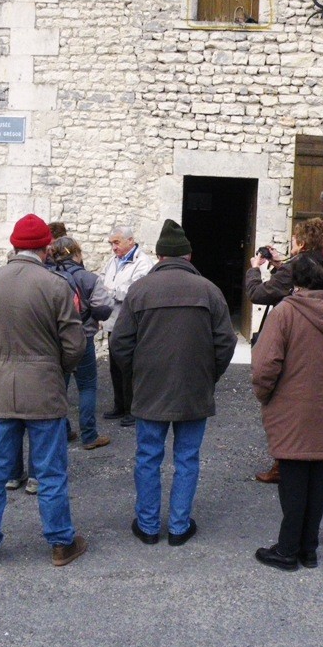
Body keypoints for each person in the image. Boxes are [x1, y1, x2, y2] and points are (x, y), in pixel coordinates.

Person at [0, 214, 88, 569]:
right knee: (50, 472)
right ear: (46, 247)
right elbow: (75, 344)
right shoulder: (55, 285)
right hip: (45, 390)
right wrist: (56, 368)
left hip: (3, 390)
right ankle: (60, 543)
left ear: (14, 244)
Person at [111, 219, 237, 547]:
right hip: (193, 387)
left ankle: (149, 525)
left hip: (150, 387)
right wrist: (209, 374)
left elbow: (120, 343)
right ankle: (179, 526)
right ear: (188, 256)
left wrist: (137, 374)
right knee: (187, 457)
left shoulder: (140, 290)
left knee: (148, 456)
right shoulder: (209, 290)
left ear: (159, 256)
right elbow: (225, 342)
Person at [251, 251, 323, 571]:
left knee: (293, 478)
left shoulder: (286, 312)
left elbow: (264, 367)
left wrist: (265, 396)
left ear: (297, 280)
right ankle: (308, 549)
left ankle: (287, 550)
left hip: (290, 406)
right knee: (316, 477)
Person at [245, 217, 323, 484]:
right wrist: (281, 263)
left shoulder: (293, 270)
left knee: (283, 402)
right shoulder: (322, 264)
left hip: (292, 334)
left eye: (294, 240)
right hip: (316, 336)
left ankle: (283, 465)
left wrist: (255, 270)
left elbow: (259, 295)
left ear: (301, 243)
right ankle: (305, 460)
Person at [50, 236, 114, 450]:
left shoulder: (47, 276)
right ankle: (89, 435)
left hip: (56, 340)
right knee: (87, 386)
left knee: (59, 387)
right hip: (83, 337)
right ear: (77, 253)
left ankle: (63, 430)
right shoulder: (88, 278)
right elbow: (104, 308)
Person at [100, 225, 153, 427]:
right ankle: (119, 405)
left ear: (130, 241)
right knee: (114, 366)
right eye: (111, 243)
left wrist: (110, 291)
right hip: (113, 321)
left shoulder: (143, 262)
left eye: (116, 242)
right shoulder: (113, 261)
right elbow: (102, 281)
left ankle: (133, 409)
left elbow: (135, 291)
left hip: (130, 324)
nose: (113, 248)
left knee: (130, 367)